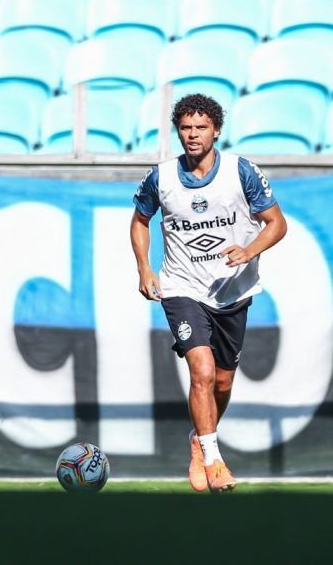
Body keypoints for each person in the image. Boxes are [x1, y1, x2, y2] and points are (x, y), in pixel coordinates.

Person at [130, 94, 287, 493]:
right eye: (185, 128)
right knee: (200, 370)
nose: (193, 135)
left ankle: (200, 442)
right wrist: (145, 267)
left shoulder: (241, 172)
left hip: (232, 289)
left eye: (201, 127)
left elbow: (276, 223)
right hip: (182, 287)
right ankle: (215, 459)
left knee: (221, 381)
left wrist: (249, 250)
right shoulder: (160, 177)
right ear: (177, 132)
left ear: (216, 130)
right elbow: (139, 221)